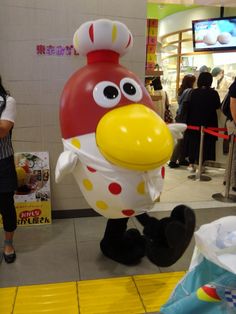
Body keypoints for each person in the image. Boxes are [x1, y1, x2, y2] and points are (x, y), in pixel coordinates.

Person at [184, 72, 221, 172]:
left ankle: (191, 164)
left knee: (193, 143)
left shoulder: (193, 92)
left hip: (193, 122)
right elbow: (218, 106)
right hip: (208, 123)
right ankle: (201, 165)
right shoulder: (214, 93)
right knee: (206, 144)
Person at [0, 76, 17, 263]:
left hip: (2, 163)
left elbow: (3, 129)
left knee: (6, 206)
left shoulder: (7, 101)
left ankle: (8, 243)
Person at [168, 74, 196, 168]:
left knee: (182, 139)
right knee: (180, 140)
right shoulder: (189, 91)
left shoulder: (181, 90)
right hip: (184, 118)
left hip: (180, 116)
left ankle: (181, 159)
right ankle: (173, 160)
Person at [224, 77, 236, 191]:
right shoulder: (234, 86)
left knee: (233, 153)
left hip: (232, 122)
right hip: (233, 123)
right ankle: (232, 183)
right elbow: (233, 105)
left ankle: (228, 179)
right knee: (234, 154)